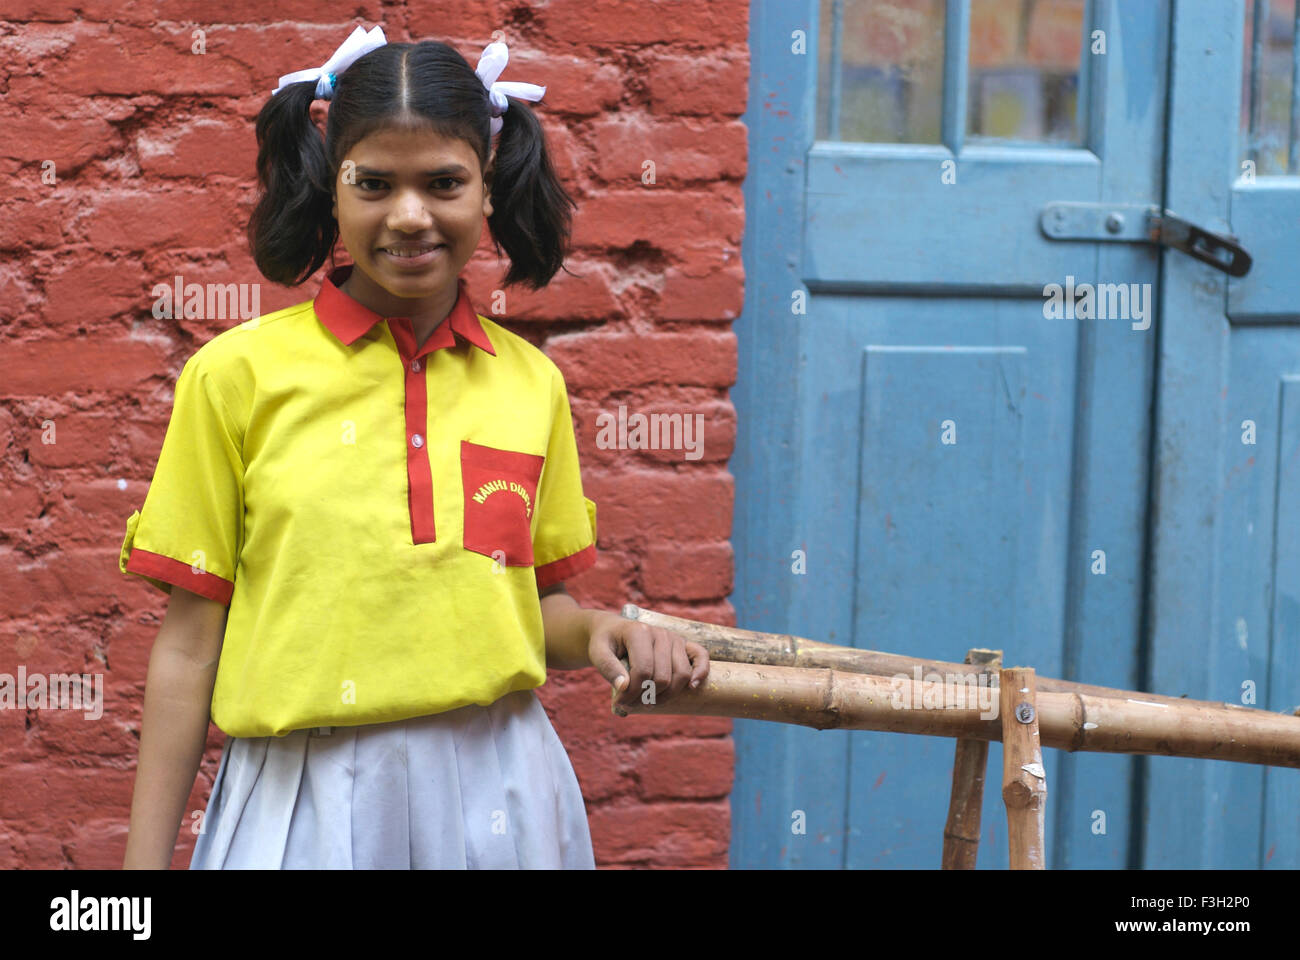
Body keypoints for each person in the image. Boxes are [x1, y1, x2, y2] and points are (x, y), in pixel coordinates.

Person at [119, 24, 709, 870]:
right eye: (374, 184)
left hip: (500, 790)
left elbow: (535, 615)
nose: (409, 216)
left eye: (443, 183)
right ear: (332, 190)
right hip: (303, 799)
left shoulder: (529, 383)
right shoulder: (236, 378)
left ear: (489, 190)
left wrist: (606, 633)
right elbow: (187, 647)